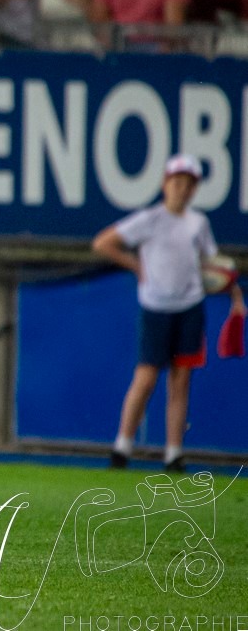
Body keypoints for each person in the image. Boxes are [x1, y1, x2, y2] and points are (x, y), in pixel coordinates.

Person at [92, 154, 218, 474]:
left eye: (189, 184)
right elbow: (104, 243)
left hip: (189, 306)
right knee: (146, 377)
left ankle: (173, 452)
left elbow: (210, 263)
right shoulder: (150, 219)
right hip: (157, 307)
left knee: (180, 380)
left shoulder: (198, 223)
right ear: (165, 184)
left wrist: (227, 287)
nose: (182, 189)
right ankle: (122, 446)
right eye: (177, 182)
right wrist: (136, 266)